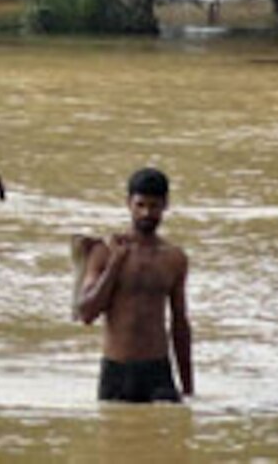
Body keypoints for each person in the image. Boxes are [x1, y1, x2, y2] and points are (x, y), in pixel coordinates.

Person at [74, 167, 194, 404]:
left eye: (154, 206)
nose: (147, 213)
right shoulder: (104, 251)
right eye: (140, 205)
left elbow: (180, 323)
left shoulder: (174, 257)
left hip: (158, 372)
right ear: (128, 203)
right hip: (116, 372)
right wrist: (116, 264)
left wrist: (188, 387)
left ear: (165, 206)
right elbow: (86, 313)